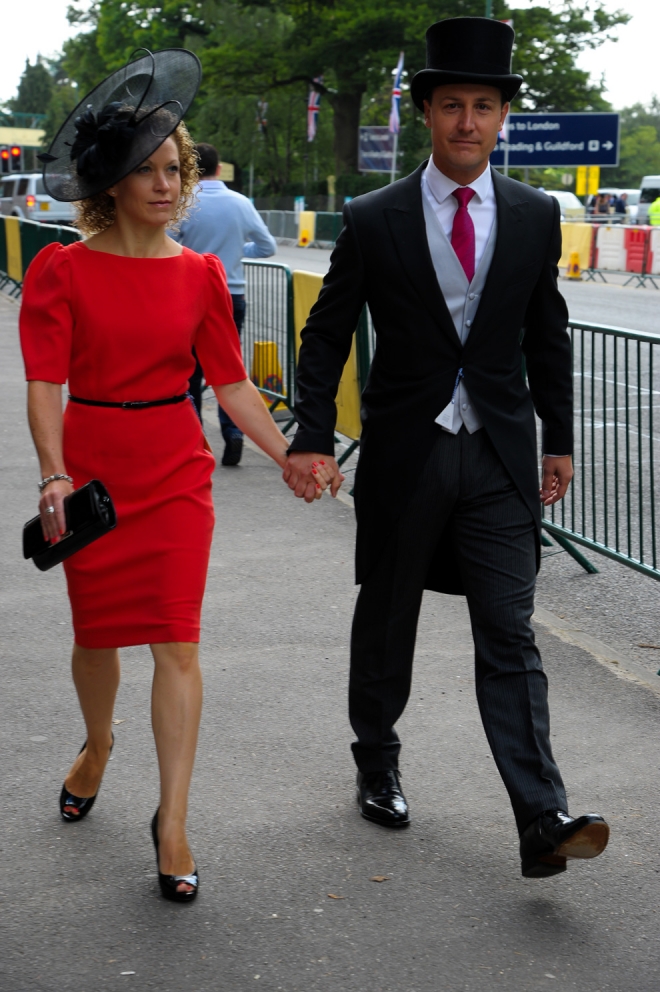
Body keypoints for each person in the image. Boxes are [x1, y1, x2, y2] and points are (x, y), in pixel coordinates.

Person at [283, 16, 610, 880]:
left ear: (504, 118)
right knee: (389, 620)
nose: (469, 121)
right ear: (427, 112)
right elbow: (324, 337)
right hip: (405, 454)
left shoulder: (537, 217)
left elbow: (549, 336)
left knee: (510, 632)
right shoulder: (375, 215)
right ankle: (377, 760)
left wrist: (561, 440)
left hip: (500, 455)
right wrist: (313, 436)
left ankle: (541, 815)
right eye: (453, 104)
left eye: (485, 106)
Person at [20, 50, 334, 904]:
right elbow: (45, 379)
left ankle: (174, 818)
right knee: (95, 637)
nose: (166, 186)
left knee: (177, 643)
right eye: (147, 170)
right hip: (92, 472)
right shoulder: (62, 269)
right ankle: (98, 744)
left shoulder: (198, 275)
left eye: (175, 170)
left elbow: (230, 383)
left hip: (174, 474)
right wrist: (53, 475)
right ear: (109, 182)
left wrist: (289, 455)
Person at [174, 142, 277, 466]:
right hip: (231, 295)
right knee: (229, 371)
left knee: (188, 373)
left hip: (188, 295)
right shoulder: (241, 203)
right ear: (220, 168)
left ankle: (193, 440)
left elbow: (167, 246)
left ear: (191, 168)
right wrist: (233, 252)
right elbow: (267, 246)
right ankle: (233, 432)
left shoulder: (184, 202)